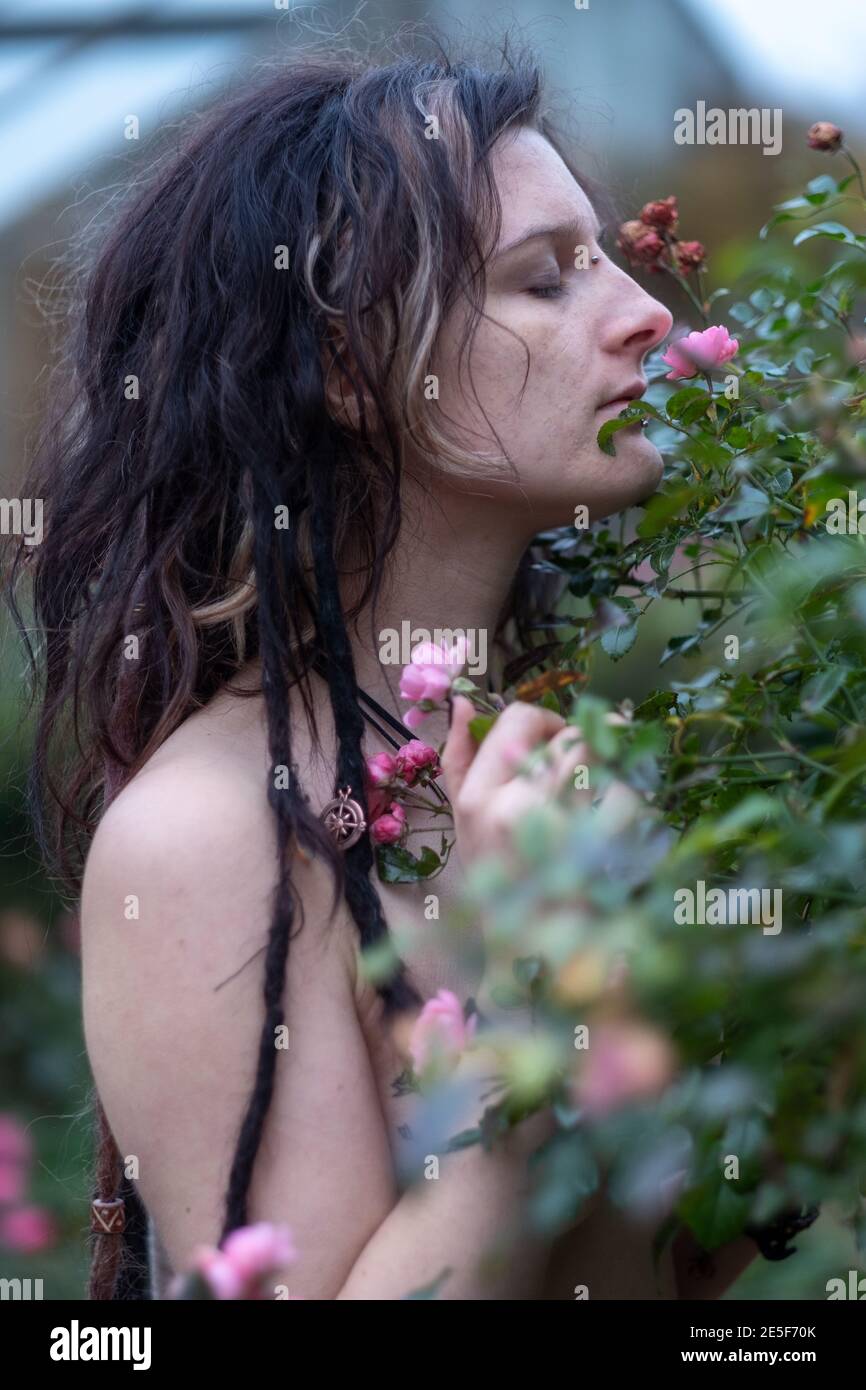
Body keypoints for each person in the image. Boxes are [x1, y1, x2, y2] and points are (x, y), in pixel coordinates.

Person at [7, 38, 759, 1299]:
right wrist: (527, 1013)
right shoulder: (208, 834)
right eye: (542, 282)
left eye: (610, 259)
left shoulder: (582, 753)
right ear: (354, 370)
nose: (646, 311)